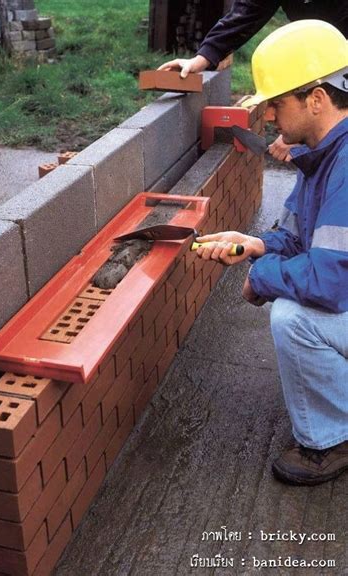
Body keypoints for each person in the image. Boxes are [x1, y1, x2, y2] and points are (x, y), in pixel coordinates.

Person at [195, 20, 348, 485]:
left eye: (277, 103)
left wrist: (261, 278)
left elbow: (330, 281)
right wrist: (255, 245)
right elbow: (303, 241)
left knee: (293, 318)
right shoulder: (323, 153)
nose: (268, 118)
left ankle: (332, 440)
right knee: (291, 301)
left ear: (316, 99)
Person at [158, 0, 348, 162]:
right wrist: (203, 58)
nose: (269, 116)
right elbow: (247, 11)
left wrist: (305, 130)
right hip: (325, 57)